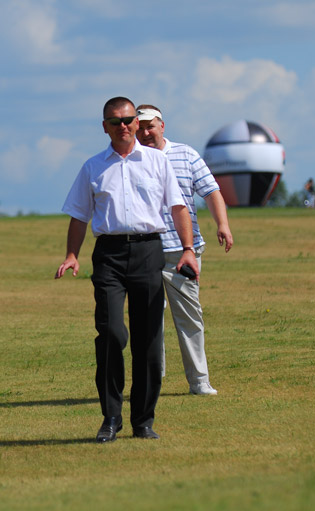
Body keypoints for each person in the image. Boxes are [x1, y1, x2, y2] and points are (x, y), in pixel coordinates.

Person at [55, 97, 199, 443]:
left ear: (137, 123)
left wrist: (189, 250)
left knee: (148, 340)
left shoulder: (156, 162)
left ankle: (143, 420)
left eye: (128, 120)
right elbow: (79, 215)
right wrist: (72, 254)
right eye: (115, 121)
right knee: (111, 334)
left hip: (150, 250)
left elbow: (178, 207)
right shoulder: (92, 167)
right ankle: (111, 417)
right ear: (104, 126)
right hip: (109, 255)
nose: (123, 126)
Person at [135, 104, 234, 396]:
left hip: (182, 251)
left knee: (189, 316)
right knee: (148, 319)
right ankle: (153, 381)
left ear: (162, 126)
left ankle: (199, 381)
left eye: (150, 126)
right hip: (145, 249)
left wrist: (223, 224)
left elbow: (211, 191)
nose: (144, 132)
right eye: (139, 127)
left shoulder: (186, 154)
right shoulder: (131, 159)